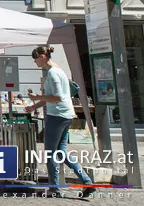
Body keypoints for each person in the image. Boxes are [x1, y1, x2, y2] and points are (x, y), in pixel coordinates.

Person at [26, 46, 96, 198]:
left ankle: (54, 189)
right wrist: (34, 106)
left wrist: (37, 97)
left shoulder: (53, 73)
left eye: (35, 59)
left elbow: (57, 97)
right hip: (65, 115)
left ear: (42, 56)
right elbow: (53, 96)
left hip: (57, 115)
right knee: (61, 152)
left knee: (51, 153)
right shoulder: (58, 70)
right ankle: (87, 181)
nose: (35, 62)